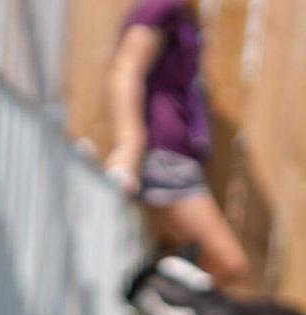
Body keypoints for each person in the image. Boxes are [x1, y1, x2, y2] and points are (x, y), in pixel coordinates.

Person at [104, 0, 249, 285]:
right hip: (165, 158)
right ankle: (148, 299)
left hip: (178, 157)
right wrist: (130, 142)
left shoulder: (182, 13)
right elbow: (126, 71)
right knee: (228, 262)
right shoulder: (162, 6)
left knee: (175, 259)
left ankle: (154, 298)